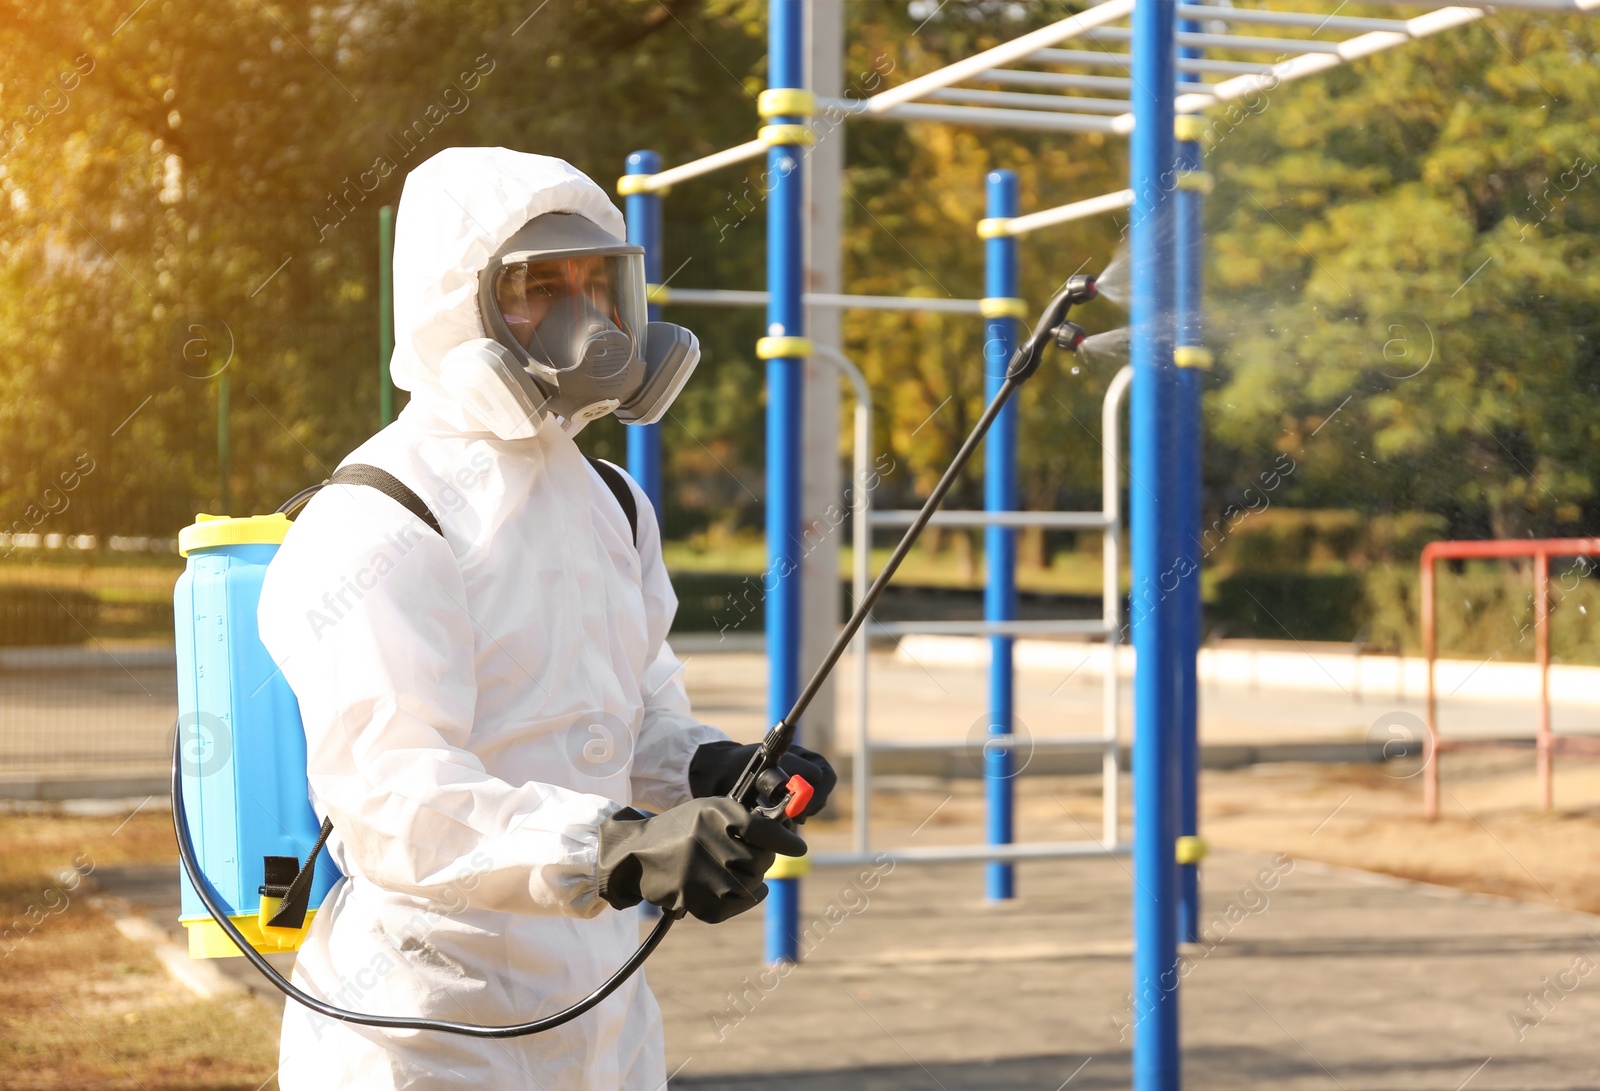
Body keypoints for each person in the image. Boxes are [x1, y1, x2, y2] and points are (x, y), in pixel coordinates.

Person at [257, 146, 836, 1090]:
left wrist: (710, 765)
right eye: (536, 287)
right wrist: (614, 847)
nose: (586, 322)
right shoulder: (381, 513)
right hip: (425, 1024)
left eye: (598, 283)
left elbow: (624, 715)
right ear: (457, 305)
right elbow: (396, 801)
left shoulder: (613, 501)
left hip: (600, 1009)